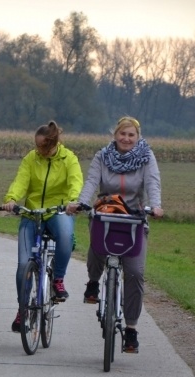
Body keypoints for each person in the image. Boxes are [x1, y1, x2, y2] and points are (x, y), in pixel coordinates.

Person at [67, 116, 163, 353]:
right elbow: (91, 182)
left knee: (135, 273)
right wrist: (81, 203)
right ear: (115, 135)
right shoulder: (102, 156)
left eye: (131, 135)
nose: (126, 139)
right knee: (97, 248)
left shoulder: (146, 157)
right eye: (122, 134)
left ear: (138, 137)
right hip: (106, 212)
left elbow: (153, 183)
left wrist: (156, 206)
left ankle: (130, 329)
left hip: (134, 218)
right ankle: (92, 282)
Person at [0, 121, 83, 332]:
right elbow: (21, 181)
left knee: (65, 235)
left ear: (53, 144)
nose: (40, 151)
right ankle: (23, 308)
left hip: (59, 210)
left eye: (43, 147)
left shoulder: (68, 159)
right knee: (22, 267)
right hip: (32, 212)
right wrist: (11, 199)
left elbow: (76, 181)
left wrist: (73, 201)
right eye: (37, 147)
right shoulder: (31, 158)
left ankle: (58, 279)